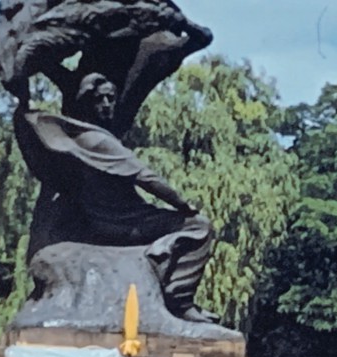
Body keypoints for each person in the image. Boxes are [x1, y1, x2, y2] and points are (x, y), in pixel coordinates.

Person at [16, 73, 216, 323]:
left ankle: (162, 265)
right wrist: (183, 205)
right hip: (122, 223)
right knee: (200, 226)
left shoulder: (80, 139)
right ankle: (180, 300)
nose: (108, 104)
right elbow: (147, 177)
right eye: (100, 99)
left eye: (111, 98)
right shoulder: (97, 141)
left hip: (113, 219)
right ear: (87, 103)